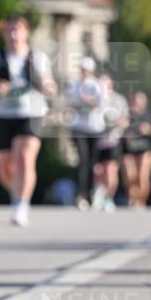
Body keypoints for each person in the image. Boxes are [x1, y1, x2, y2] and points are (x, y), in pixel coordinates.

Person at [0, 15, 55, 226]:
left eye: (17, 30)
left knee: (25, 158)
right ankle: (17, 193)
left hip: (31, 113)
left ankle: (21, 205)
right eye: (9, 30)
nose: (13, 35)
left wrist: (46, 86)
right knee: (5, 167)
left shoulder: (37, 58)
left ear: (26, 32)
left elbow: (50, 86)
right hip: (0, 114)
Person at [67, 56, 104, 210]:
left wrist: (87, 100)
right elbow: (70, 105)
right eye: (82, 70)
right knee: (82, 160)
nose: (84, 73)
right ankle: (81, 194)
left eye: (86, 70)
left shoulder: (98, 85)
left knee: (93, 163)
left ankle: (92, 193)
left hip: (94, 128)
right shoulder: (75, 86)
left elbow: (100, 104)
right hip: (79, 127)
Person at [92, 73, 129, 212]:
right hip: (96, 139)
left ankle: (108, 198)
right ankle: (98, 194)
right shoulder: (94, 99)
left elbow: (125, 120)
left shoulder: (118, 100)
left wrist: (117, 123)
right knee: (98, 170)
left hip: (113, 139)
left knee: (111, 170)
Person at [121, 90, 151, 208]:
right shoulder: (126, 115)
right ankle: (132, 198)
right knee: (130, 175)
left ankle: (141, 201)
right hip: (128, 151)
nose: (137, 103)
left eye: (140, 100)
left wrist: (147, 130)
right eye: (135, 100)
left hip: (143, 149)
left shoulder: (148, 116)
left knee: (142, 176)